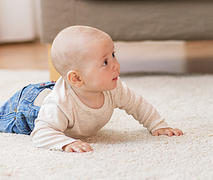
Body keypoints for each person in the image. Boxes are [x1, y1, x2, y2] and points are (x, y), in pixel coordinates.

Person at [0, 25, 183, 152]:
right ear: (77, 78)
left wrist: (158, 125)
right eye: (105, 62)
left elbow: (137, 104)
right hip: (28, 106)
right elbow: (40, 133)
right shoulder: (60, 104)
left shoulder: (114, 87)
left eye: (113, 55)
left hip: (60, 89)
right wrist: (64, 143)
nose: (115, 65)